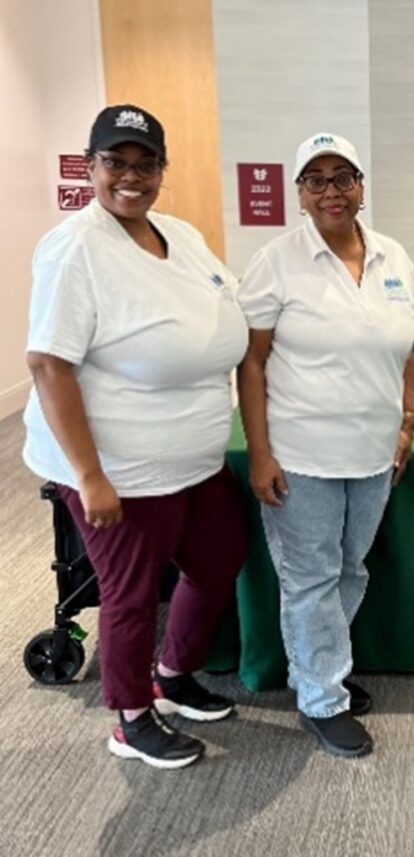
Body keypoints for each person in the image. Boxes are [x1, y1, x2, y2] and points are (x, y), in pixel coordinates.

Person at [23, 104, 249, 769]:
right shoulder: (76, 247)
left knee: (218, 558)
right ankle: (130, 716)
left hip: (194, 456)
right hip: (120, 466)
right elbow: (48, 363)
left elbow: (226, 305)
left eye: (145, 163)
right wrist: (89, 476)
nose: (131, 175)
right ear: (91, 167)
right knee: (129, 593)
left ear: (161, 170)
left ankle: (174, 675)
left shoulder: (178, 232)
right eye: (115, 162)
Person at [237, 132, 414, 759]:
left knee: (350, 570)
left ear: (361, 186)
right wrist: (260, 452)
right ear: (299, 193)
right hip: (303, 455)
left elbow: (403, 350)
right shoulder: (276, 261)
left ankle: (318, 668)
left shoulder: (394, 257)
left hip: (372, 452)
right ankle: (322, 697)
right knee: (311, 578)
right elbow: (253, 363)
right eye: (315, 179)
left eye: (343, 176)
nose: (332, 190)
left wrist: (405, 422)